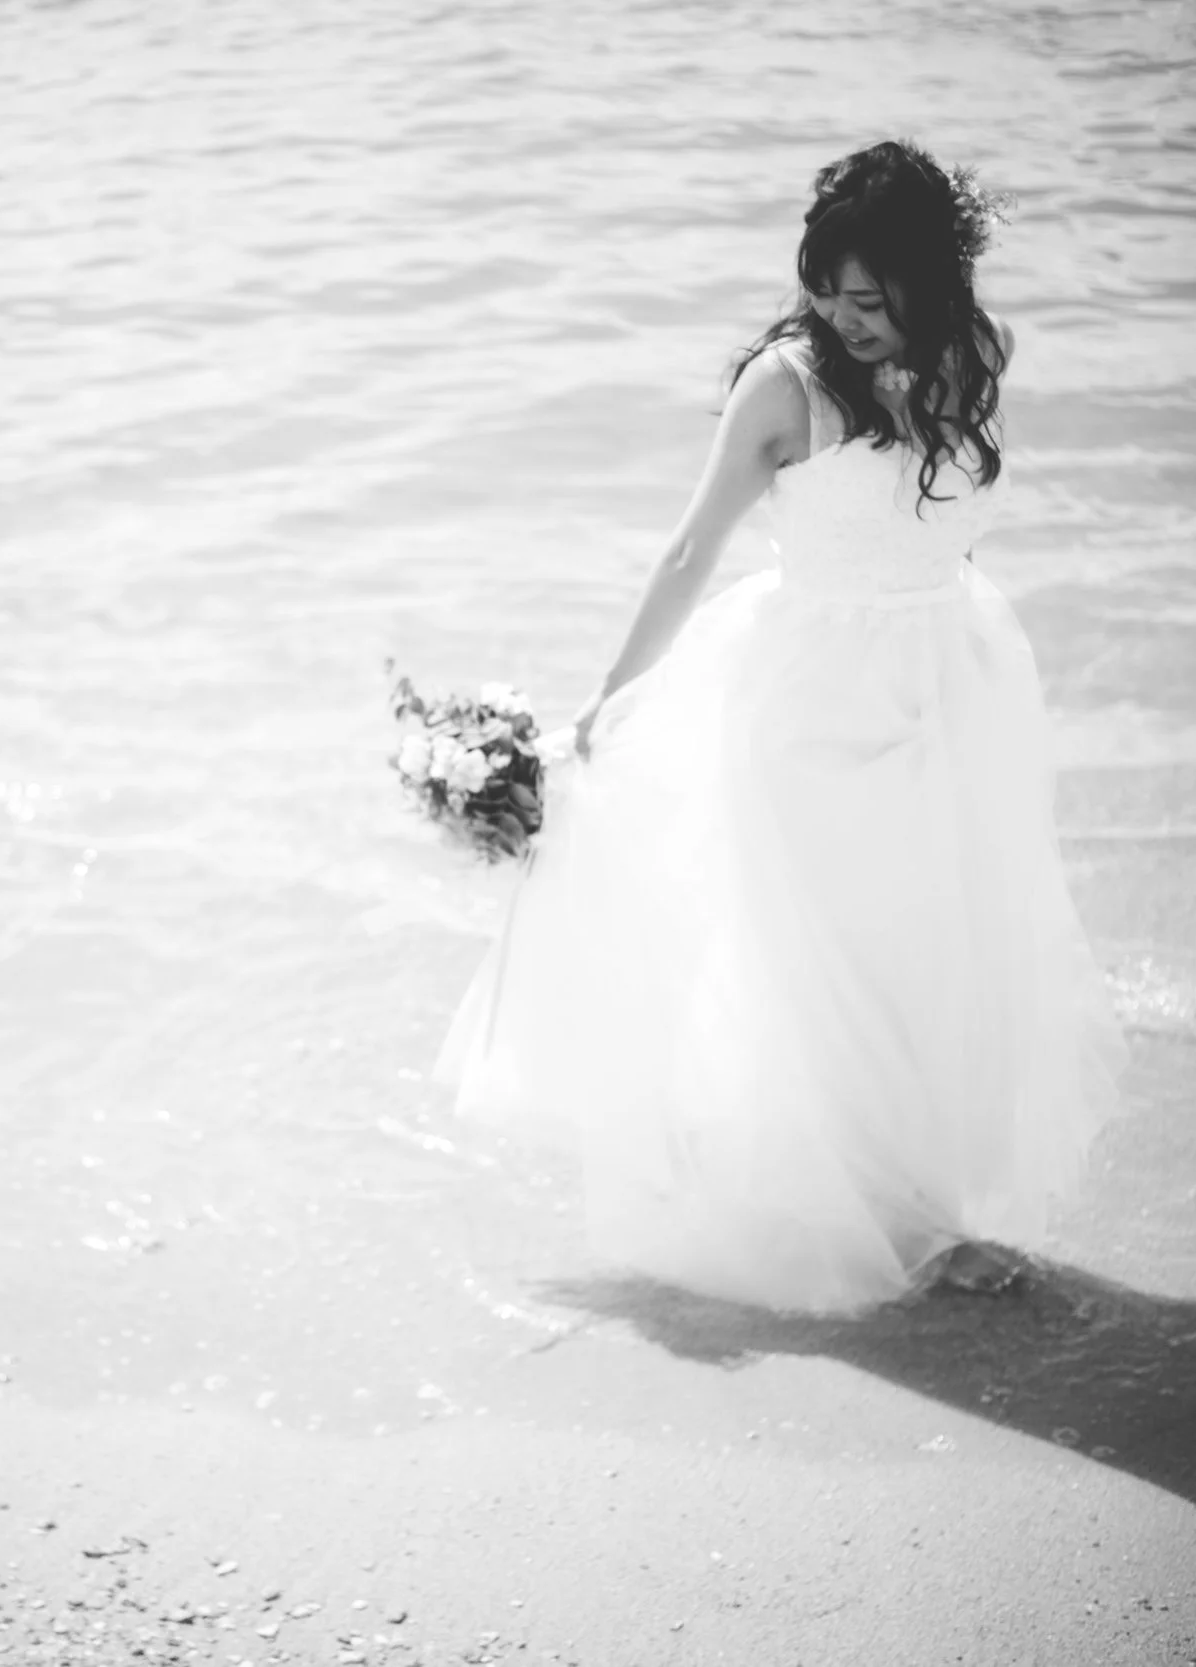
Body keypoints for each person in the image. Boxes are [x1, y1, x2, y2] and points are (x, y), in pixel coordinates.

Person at [434, 139, 1126, 1313]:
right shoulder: (783, 388)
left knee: (930, 957)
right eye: (827, 292)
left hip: (948, 683)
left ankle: (919, 1205)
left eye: (869, 299)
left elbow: (934, 525)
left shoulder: (977, 353)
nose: (843, 319)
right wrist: (611, 694)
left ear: (927, 284)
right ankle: (898, 1229)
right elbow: (689, 548)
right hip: (809, 708)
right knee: (827, 967)